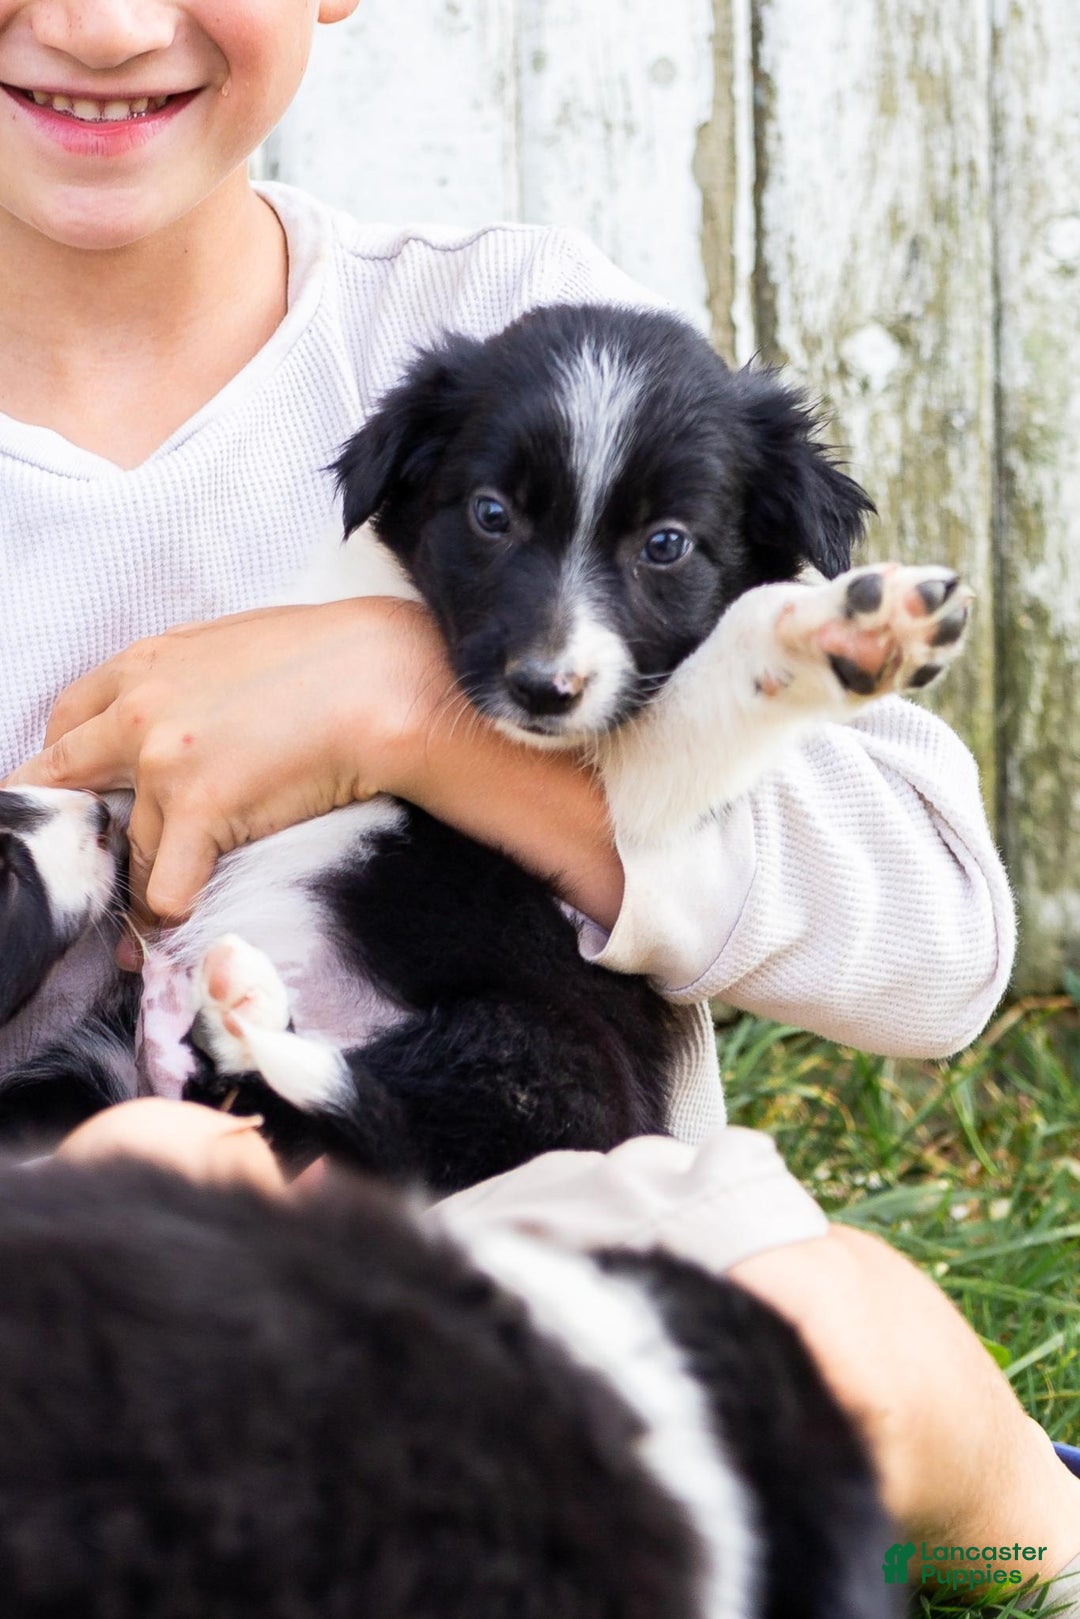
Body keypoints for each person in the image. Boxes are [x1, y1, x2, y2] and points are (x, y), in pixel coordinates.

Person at [0, 0, 1075, 1603]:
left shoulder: (503, 320)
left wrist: (405, 711)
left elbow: (939, 937)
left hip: (529, 1236)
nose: (99, 22)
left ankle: (1008, 1502)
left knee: (820, 1365)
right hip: (65, 1260)